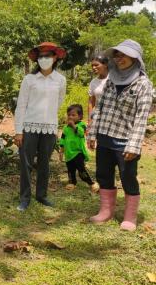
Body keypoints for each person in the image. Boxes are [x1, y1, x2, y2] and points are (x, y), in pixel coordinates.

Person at [88, 40, 153, 231]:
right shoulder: (110, 80)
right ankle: (106, 211)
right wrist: (93, 133)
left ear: (135, 58)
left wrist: (134, 145)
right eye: (117, 55)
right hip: (105, 137)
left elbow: (142, 117)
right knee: (104, 175)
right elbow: (99, 108)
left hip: (126, 142)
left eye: (124, 55)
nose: (120, 58)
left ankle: (130, 217)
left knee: (128, 178)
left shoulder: (143, 84)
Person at [14, 42, 67, 211]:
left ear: (55, 57)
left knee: (45, 163)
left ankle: (42, 195)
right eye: (41, 56)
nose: (44, 59)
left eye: (48, 56)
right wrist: (18, 131)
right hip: (29, 127)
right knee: (26, 164)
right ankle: (24, 198)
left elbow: (59, 102)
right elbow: (21, 105)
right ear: (37, 59)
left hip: (49, 128)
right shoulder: (29, 79)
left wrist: (48, 118)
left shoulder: (60, 80)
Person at [59, 104, 99, 192]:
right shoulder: (66, 128)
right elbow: (62, 139)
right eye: (69, 115)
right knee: (70, 170)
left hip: (78, 152)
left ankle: (91, 183)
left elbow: (81, 133)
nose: (70, 117)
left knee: (81, 170)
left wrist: (73, 126)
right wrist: (61, 151)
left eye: (73, 115)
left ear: (80, 116)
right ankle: (72, 182)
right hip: (68, 153)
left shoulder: (82, 125)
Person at [88, 55, 109, 127]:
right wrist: (90, 120)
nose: (93, 67)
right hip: (97, 117)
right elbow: (91, 103)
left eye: (96, 65)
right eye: (92, 65)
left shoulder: (113, 79)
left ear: (105, 65)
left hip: (111, 118)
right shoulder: (93, 82)